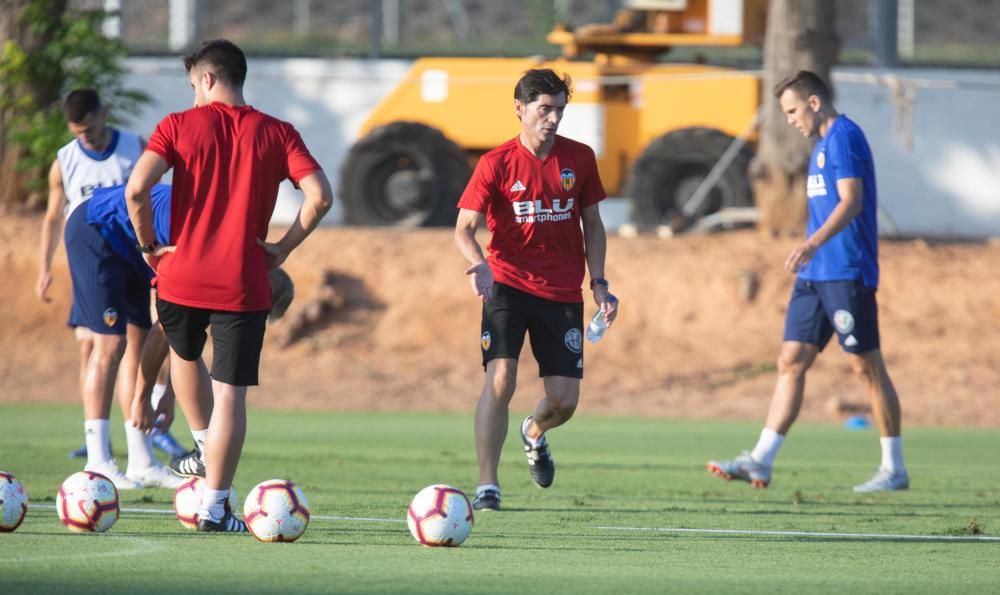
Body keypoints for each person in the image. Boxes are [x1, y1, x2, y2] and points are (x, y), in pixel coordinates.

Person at [125, 39, 333, 533]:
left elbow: (136, 190)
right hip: (243, 282)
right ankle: (216, 506)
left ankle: (202, 444)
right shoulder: (278, 133)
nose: (194, 94)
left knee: (184, 356)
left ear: (207, 78)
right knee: (232, 396)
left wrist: (150, 246)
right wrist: (283, 248)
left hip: (179, 278)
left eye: (193, 84)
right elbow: (320, 196)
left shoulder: (176, 125)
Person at [707, 70, 909, 493]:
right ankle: (761, 460)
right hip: (814, 275)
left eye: (793, 110)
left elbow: (851, 202)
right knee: (791, 360)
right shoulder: (819, 147)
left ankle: (894, 468)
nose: (791, 119)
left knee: (866, 368)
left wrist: (812, 242)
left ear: (814, 103)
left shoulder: (845, 138)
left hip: (845, 271)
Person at [454, 68, 618, 511]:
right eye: (544, 109)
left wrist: (599, 283)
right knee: (501, 377)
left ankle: (534, 431)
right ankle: (488, 484)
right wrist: (480, 265)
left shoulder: (580, 159)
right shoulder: (495, 163)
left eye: (560, 110)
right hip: (505, 285)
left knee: (564, 401)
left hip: (563, 292)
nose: (553, 118)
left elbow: (594, 227)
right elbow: (464, 229)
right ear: (520, 109)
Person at [62, 180, 183, 489]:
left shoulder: (209, 233)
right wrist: (161, 394)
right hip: (95, 232)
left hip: (133, 249)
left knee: (140, 343)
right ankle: (98, 462)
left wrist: (166, 393)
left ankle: (142, 460)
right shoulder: (186, 224)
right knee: (111, 344)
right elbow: (172, 317)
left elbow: (173, 324)